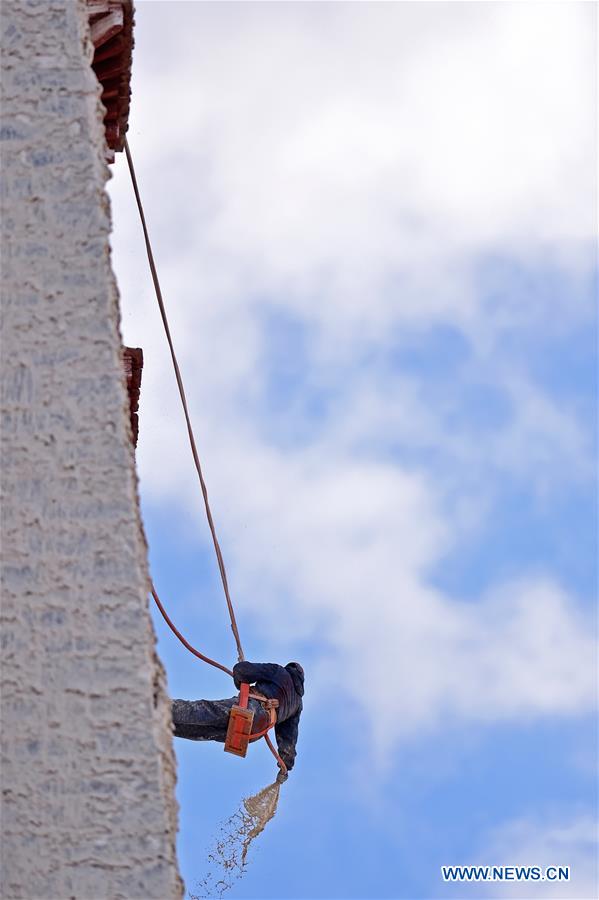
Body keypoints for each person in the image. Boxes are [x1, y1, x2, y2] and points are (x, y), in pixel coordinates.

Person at [171, 661, 304, 780]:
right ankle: (163, 724)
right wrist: (286, 764)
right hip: (253, 732)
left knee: (201, 711)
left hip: (249, 710)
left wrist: (241, 679)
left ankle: (159, 705)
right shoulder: (297, 704)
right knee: (204, 731)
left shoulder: (279, 672)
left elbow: (241, 670)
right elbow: (289, 740)